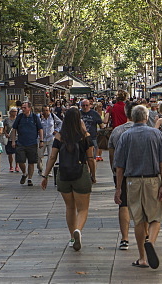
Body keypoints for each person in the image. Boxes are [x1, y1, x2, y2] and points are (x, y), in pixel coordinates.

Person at [113, 104, 162, 270]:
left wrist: (118, 188)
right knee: (155, 217)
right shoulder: (156, 134)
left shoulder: (125, 136)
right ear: (146, 117)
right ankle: (150, 241)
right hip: (152, 180)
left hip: (132, 181)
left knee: (138, 219)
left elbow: (119, 166)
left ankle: (143, 258)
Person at [41, 107, 96, 251]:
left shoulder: (59, 136)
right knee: (83, 208)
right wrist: (93, 175)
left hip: (63, 175)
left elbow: (52, 157)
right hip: (80, 173)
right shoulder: (85, 136)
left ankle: (72, 237)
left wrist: (45, 175)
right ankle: (78, 230)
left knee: (70, 207)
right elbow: (91, 159)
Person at [108, 99, 137, 252]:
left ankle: (125, 239)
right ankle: (144, 235)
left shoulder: (117, 131)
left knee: (123, 204)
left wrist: (114, 172)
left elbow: (112, 156)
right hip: (141, 173)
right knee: (141, 205)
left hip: (121, 172)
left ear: (126, 113)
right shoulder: (149, 131)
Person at [12, 101, 41, 186]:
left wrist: (41, 140)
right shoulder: (20, 117)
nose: (23, 109)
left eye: (25, 107)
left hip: (32, 142)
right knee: (20, 161)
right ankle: (24, 173)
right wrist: (13, 140)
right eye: (22, 107)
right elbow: (14, 129)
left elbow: (40, 128)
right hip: (21, 142)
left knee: (31, 162)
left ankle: (30, 179)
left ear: (29, 108)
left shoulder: (35, 117)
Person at [38, 105, 62, 174]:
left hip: (51, 138)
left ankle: (49, 171)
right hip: (41, 139)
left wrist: (56, 130)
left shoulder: (52, 116)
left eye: (47, 110)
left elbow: (60, 123)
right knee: (39, 156)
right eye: (44, 110)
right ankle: (40, 168)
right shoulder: (39, 117)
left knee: (51, 155)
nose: (46, 112)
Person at [4, 107, 18, 172]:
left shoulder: (18, 119)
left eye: (16, 111)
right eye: (14, 111)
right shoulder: (7, 120)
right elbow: (4, 128)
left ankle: (17, 166)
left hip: (17, 137)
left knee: (17, 153)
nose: (15, 113)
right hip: (9, 138)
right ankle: (11, 166)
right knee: (10, 153)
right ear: (10, 112)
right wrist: (6, 133)